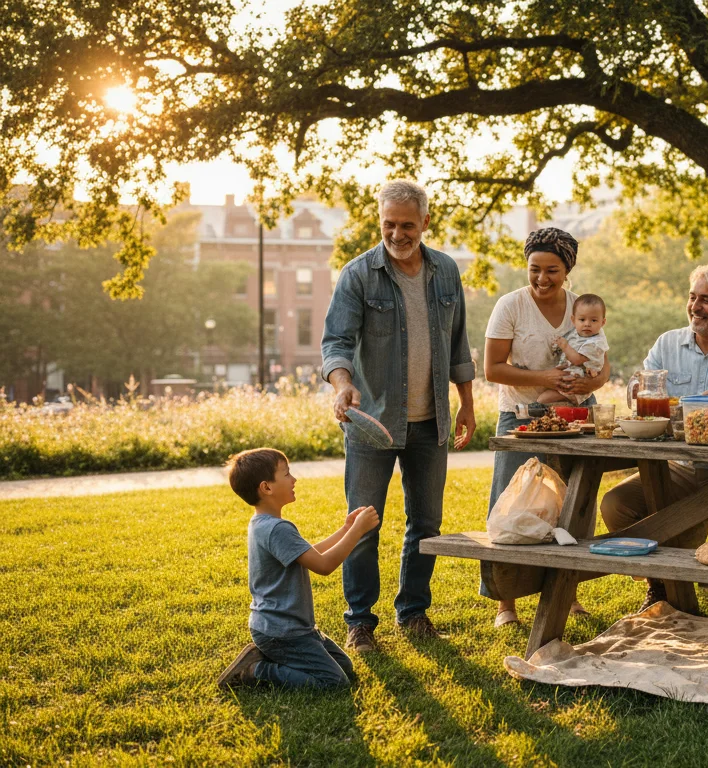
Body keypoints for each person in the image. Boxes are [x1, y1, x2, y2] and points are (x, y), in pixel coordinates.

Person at [321, 179, 477, 653]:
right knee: (363, 523)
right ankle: (360, 621)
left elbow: (457, 345)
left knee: (426, 523)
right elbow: (336, 342)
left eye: (407, 225)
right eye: (389, 224)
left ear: (425, 223)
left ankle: (413, 612)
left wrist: (467, 402)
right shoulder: (358, 275)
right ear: (380, 221)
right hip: (374, 421)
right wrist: (342, 384)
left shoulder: (446, 271)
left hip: (431, 421)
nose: (397, 233)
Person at [600, 264, 708, 618]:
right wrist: (636, 390)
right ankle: (661, 585)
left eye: (706, 300)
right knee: (616, 504)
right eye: (692, 297)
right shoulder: (668, 343)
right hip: (678, 466)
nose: (696, 306)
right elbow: (643, 392)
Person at [484, 228, 611, 627]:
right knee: (514, 504)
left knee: (573, 504)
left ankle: (566, 592)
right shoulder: (511, 306)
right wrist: (549, 377)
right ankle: (506, 603)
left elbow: (603, 365)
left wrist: (589, 383)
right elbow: (491, 369)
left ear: (567, 269)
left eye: (552, 270)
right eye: (535, 269)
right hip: (522, 416)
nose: (542, 278)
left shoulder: (584, 307)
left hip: (575, 416)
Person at [217, 448, 381, 690]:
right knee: (334, 683)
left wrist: (346, 529)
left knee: (344, 666)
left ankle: (269, 656)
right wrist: (358, 531)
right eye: (286, 474)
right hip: (282, 632)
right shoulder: (277, 529)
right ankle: (256, 670)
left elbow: (310, 554)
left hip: (293, 628)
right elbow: (324, 565)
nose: (294, 480)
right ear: (267, 487)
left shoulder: (263, 523)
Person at [538, 294, 609, 405]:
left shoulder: (596, 343)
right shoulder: (577, 333)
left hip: (577, 382)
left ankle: (531, 409)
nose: (587, 324)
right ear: (573, 320)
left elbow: (577, 360)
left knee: (543, 399)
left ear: (602, 322)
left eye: (594, 320)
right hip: (570, 375)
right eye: (582, 319)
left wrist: (565, 346)